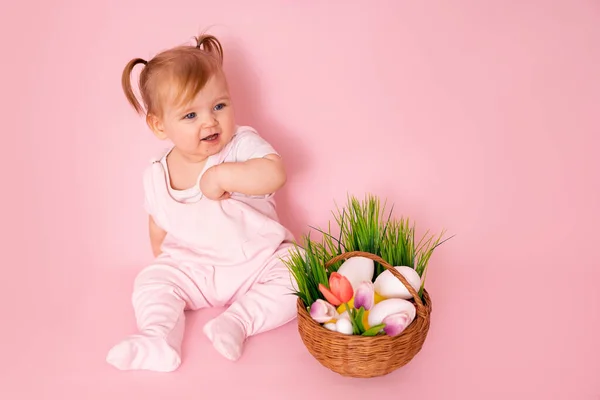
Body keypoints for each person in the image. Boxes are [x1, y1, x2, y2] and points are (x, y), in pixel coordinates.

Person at [106, 33, 298, 372]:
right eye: (190, 115)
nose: (210, 121)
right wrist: (167, 265)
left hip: (255, 262)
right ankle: (157, 337)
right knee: (151, 280)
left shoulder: (239, 144)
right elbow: (158, 224)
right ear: (159, 125)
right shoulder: (156, 174)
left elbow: (275, 173)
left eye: (219, 106)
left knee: (299, 271)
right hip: (194, 270)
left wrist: (224, 176)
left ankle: (238, 321)